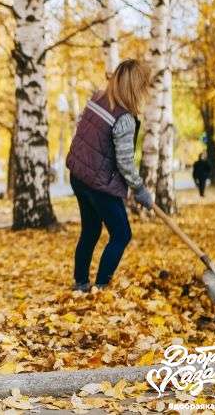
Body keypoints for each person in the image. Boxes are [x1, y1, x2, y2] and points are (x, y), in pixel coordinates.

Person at [65, 59, 152, 292]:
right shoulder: (124, 118)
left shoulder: (96, 99)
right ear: (135, 88)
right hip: (98, 184)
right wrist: (140, 190)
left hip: (79, 176)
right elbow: (124, 162)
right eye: (144, 86)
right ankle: (101, 288)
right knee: (122, 234)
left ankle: (81, 283)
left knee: (91, 230)